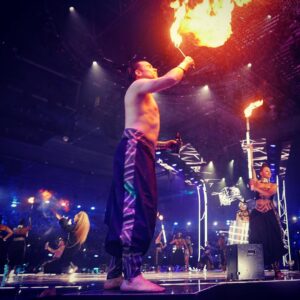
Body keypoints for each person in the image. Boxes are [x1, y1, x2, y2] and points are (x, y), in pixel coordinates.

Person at [104, 55, 194, 292]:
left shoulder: (143, 95)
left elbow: (145, 133)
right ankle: (131, 277)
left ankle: (114, 275)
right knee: (135, 207)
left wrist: (165, 145)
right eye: (148, 65)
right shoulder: (137, 86)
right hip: (134, 150)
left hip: (140, 150)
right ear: (137, 73)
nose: (154, 66)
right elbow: (172, 78)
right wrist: (185, 63)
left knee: (127, 207)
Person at [249, 162, 286, 279]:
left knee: (273, 240)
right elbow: (251, 169)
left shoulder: (273, 185)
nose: (269, 173)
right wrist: (250, 152)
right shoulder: (256, 182)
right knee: (257, 240)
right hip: (257, 215)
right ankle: (256, 269)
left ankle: (276, 269)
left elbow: (269, 193)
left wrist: (257, 187)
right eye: (266, 171)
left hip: (270, 213)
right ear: (261, 173)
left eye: (270, 171)